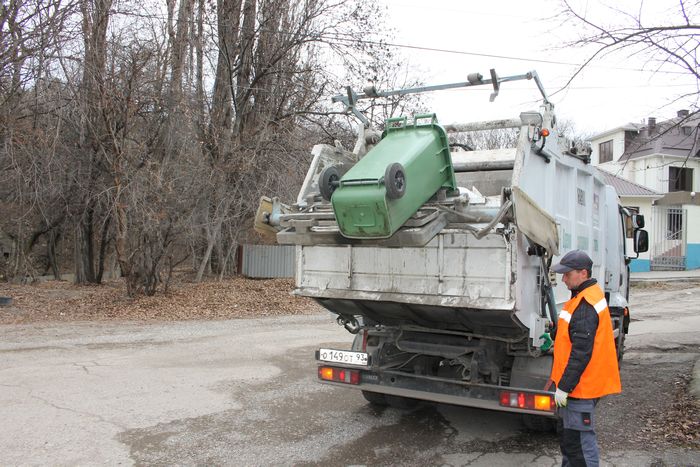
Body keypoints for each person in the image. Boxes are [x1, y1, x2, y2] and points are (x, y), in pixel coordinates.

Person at [549, 249, 621, 467]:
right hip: (581, 386)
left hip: (580, 388)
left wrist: (564, 387)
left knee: (579, 445)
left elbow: (581, 353)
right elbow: (573, 335)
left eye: (567, 274)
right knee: (571, 442)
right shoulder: (585, 297)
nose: (563, 279)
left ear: (582, 273)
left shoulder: (585, 304)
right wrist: (552, 335)